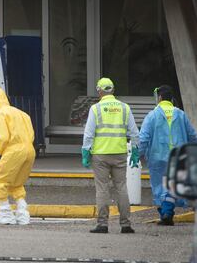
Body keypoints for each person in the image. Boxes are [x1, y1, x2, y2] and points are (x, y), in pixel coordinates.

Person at [82, 78, 138, 234]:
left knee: (102, 189)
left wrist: (86, 151)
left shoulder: (96, 109)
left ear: (99, 91)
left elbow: (89, 134)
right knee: (121, 188)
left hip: (100, 156)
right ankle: (126, 224)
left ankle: (102, 224)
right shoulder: (125, 108)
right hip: (119, 154)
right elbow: (134, 133)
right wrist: (135, 151)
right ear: (113, 90)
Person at [139, 85, 197, 225]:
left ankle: (166, 213)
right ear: (171, 98)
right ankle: (167, 213)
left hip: (158, 157)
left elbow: (144, 138)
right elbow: (192, 136)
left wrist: (138, 155)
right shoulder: (180, 114)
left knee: (160, 186)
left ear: (159, 98)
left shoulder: (152, 115)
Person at [0, 87, 36, 225]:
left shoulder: (0, 115)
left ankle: (5, 214)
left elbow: (2, 138)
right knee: (16, 183)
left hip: (14, 151)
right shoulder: (22, 114)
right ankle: (22, 214)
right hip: (29, 150)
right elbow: (31, 134)